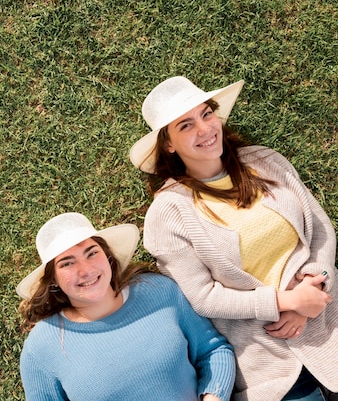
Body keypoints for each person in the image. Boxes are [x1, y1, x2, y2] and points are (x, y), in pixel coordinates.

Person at [130, 76, 338, 401]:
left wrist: (318, 283)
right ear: (168, 144)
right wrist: (285, 302)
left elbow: (320, 228)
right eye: (186, 125)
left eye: (206, 114)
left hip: (328, 319)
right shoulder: (169, 211)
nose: (204, 129)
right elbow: (203, 297)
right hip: (271, 362)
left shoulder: (265, 161)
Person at [16, 212, 235, 401]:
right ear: (53, 279)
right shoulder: (41, 349)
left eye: (92, 253)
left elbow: (213, 351)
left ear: (108, 257)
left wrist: (214, 396)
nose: (86, 270)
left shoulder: (159, 292)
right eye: (67, 263)